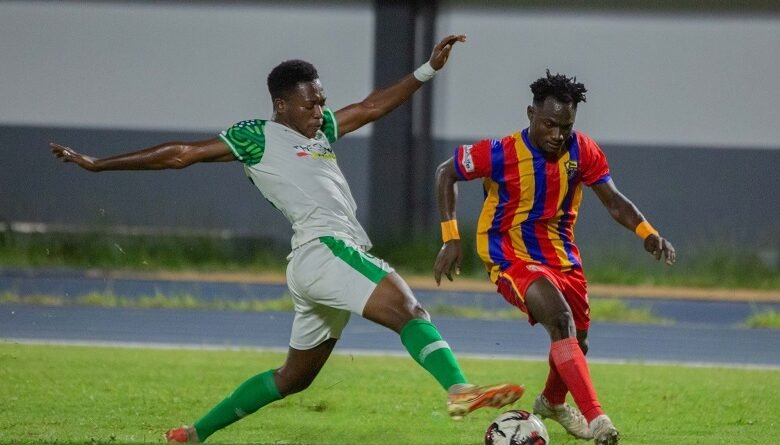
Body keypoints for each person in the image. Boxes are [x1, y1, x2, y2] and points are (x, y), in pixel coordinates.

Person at [51, 34, 525, 444]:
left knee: (293, 378)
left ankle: (195, 433)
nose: (321, 109)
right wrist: (98, 164)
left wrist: (426, 70)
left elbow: (371, 106)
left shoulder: (320, 134)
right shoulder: (258, 136)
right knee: (410, 310)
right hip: (326, 247)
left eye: (321, 100)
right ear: (282, 105)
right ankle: (459, 389)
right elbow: (181, 154)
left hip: (314, 263)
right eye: (311, 103)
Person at [433, 70, 676, 445]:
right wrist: (451, 237)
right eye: (549, 124)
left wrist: (648, 232)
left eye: (566, 126)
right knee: (560, 320)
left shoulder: (583, 151)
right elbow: (445, 173)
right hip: (509, 254)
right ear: (530, 114)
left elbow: (614, 201)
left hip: (562, 256)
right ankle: (598, 420)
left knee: (578, 342)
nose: (557, 134)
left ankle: (552, 402)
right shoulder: (499, 152)